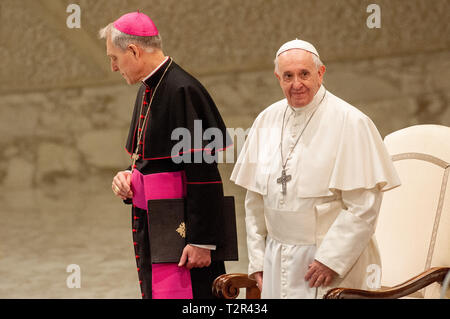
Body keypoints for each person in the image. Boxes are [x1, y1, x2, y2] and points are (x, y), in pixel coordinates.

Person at [230, 39, 401, 298]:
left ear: (321, 73)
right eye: (288, 76)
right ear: (278, 77)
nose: (296, 84)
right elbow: (254, 201)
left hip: (326, 263)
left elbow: (364, 205)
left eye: (304, 74)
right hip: (276, 257)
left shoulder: (351, 122)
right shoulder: (266, 119)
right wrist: (257, 259)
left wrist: (331, 259)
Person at [99, 11, 231, 299]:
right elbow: (151, 162)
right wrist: (127, 180)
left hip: (186, 237)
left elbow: (203, 171)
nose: (113, 67)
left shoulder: (182, 89)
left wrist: (202, 241)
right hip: (162, 228)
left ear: (133, 51)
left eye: (114, 58)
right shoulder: (150, 88)